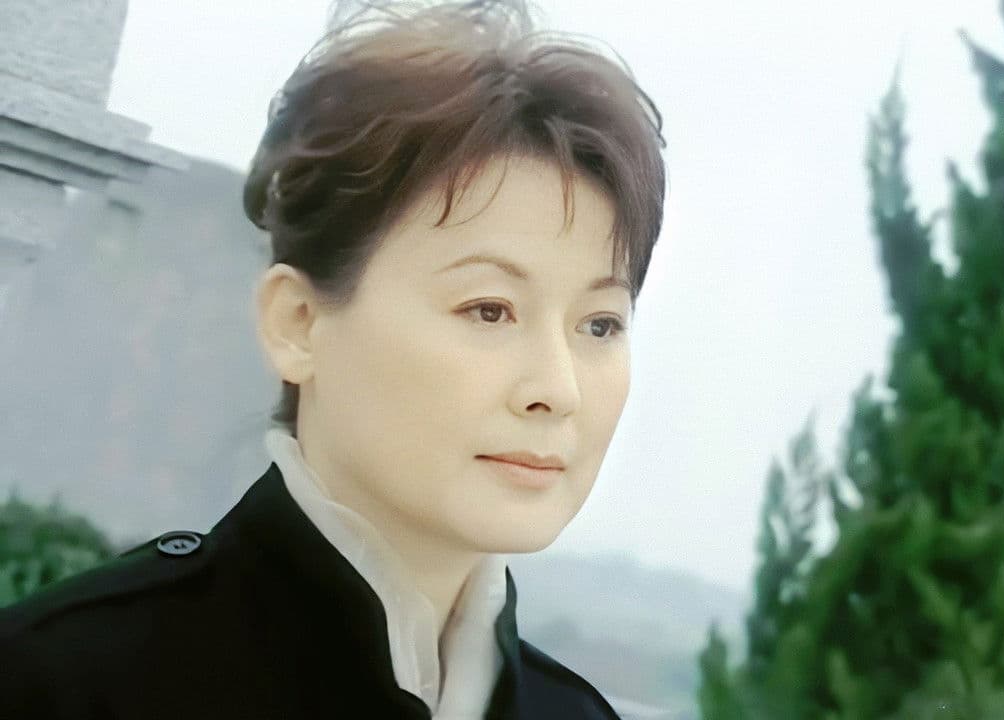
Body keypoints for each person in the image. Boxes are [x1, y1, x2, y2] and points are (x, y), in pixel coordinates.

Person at [0, 1, 666, 717]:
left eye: (599, 325)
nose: (558, 390)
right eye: (488, 309)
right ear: (298, 322)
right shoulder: (59, 685)